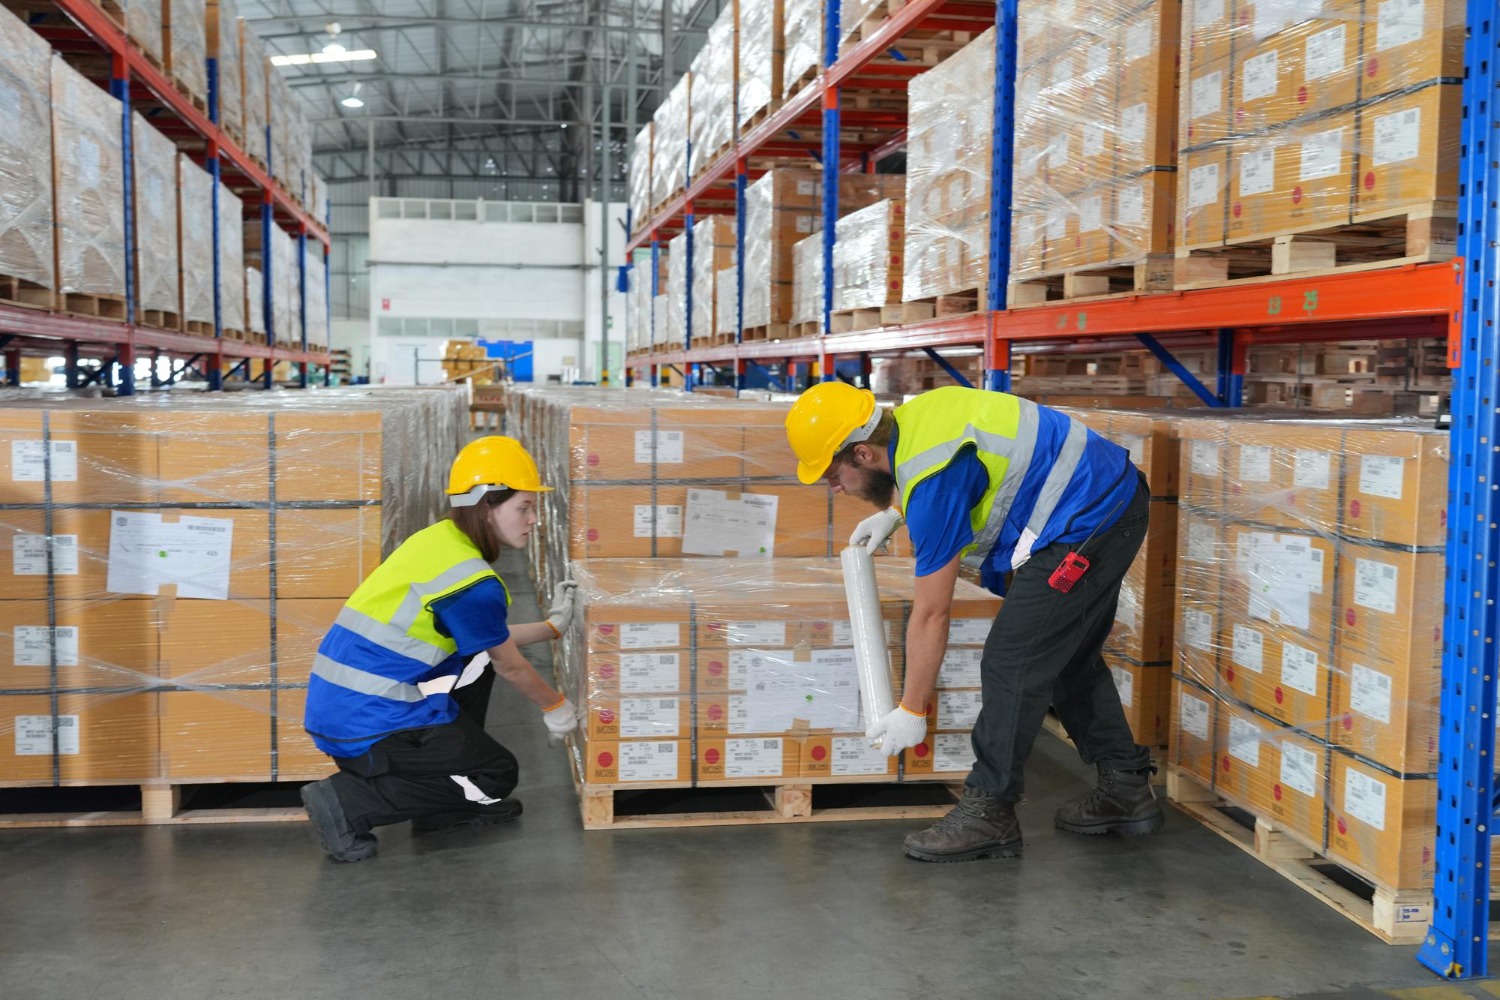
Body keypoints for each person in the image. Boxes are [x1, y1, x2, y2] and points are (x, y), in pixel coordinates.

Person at [784, 382, 1162, 862]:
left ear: (862, 453)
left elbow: (931, 612)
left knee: (1012, 660)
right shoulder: (915, 421)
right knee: (1065, 656)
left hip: (1091, 516)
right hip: (1106, 498)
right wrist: (896, 512)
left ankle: (990, 810)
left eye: (833, 475)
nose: (834, 488)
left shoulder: (934, 480)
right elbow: (958, 467)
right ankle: (1126, 791)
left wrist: (912, 708)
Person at [300, 435, 580, 863]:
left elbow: (488, 639)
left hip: (341, 706)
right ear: (487, 507)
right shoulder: (472, 582)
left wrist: (552, 628)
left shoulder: (440, 541)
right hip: (368, 724)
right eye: (523, 507)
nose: (534, 519)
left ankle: (441, 807)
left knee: (476, 664)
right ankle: (348, 803)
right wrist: (555, 705)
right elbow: (511, 666)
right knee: (496, 773)